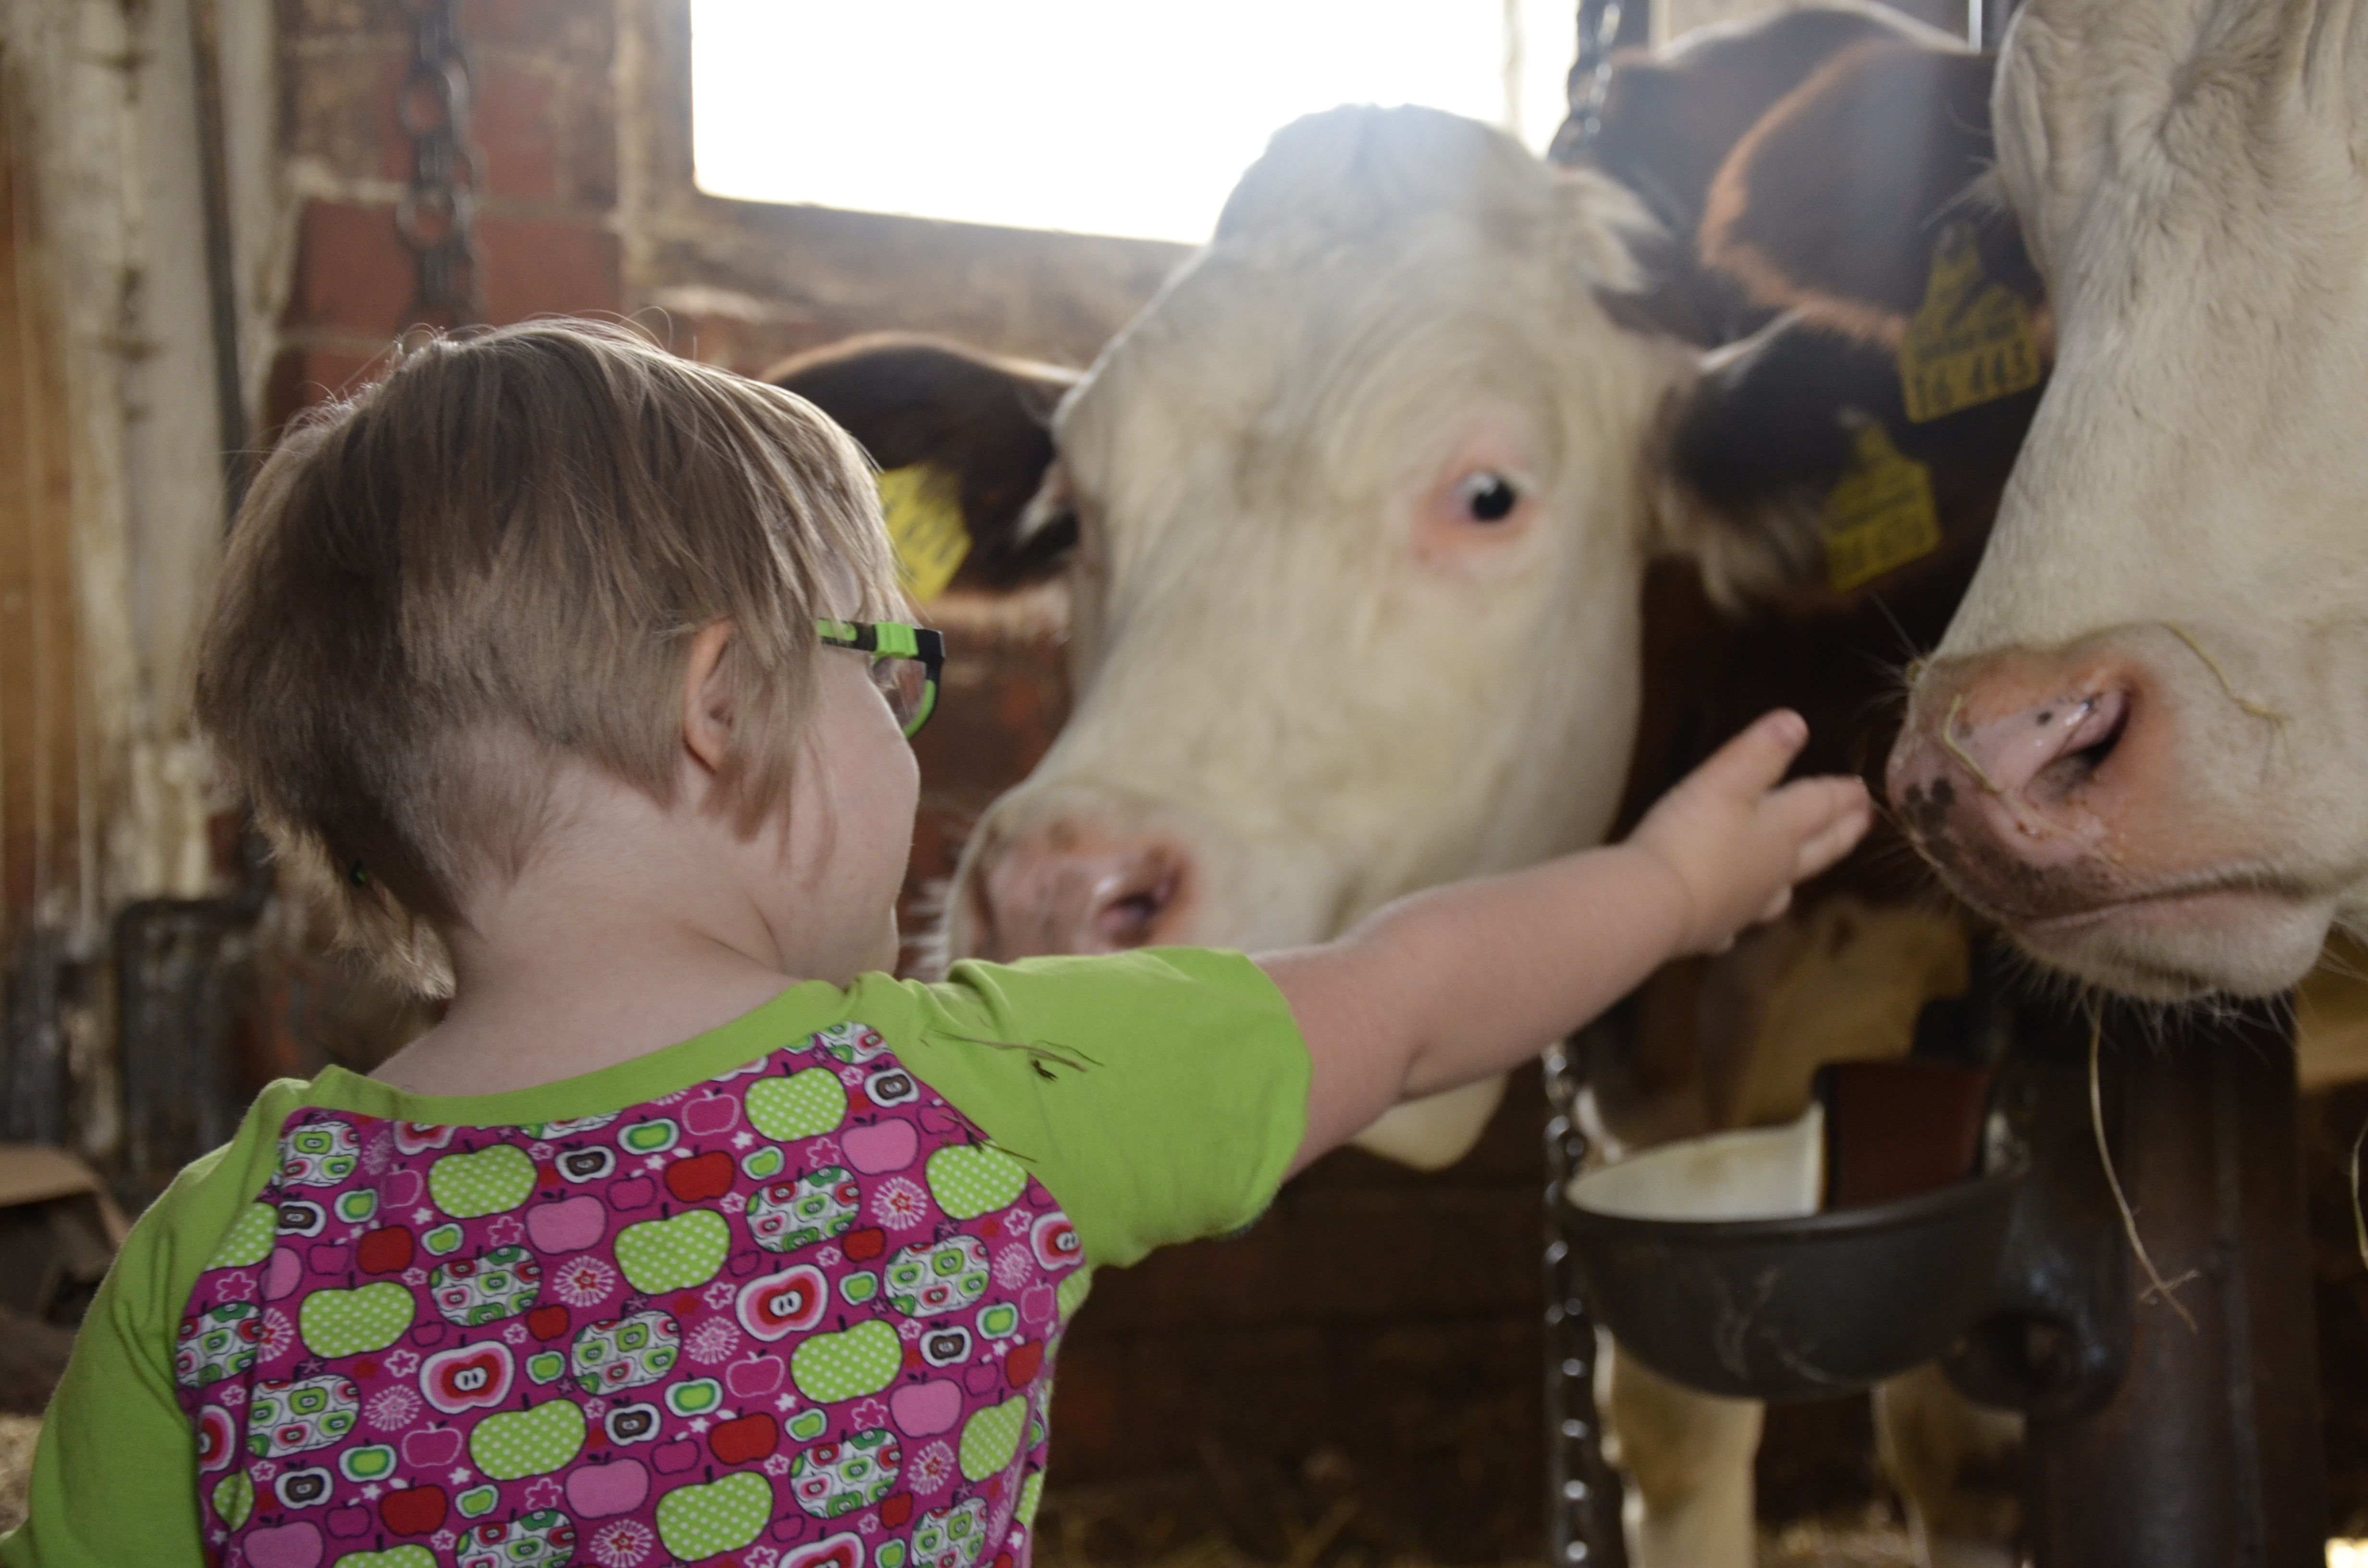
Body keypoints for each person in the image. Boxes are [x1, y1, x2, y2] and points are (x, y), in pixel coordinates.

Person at [0, 321, 1869, 1568]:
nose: (909, 734)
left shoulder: (223, 1253)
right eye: (891, 671)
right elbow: (1403, 1006)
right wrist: (1674, 889)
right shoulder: (969, 1104)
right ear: (722, 709)